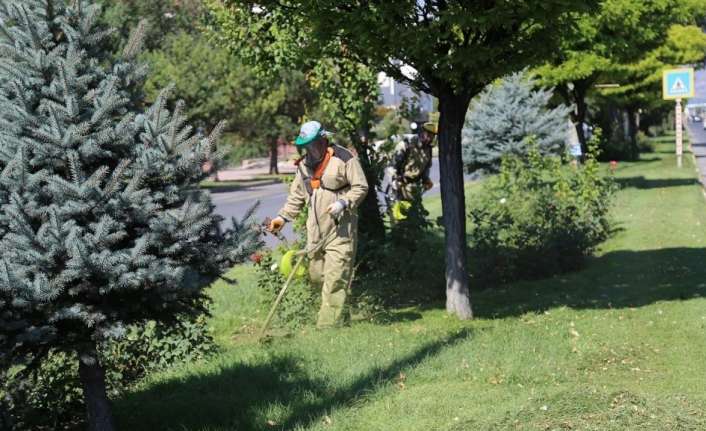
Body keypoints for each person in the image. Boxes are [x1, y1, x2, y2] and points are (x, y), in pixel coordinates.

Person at [268, 121, 368, 328]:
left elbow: (361, 186)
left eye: (312, 143)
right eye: (306, 145)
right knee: (317, 277)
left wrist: (343, 202)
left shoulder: (344, 158)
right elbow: (296, 196)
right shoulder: (304, 165)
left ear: (323, 139)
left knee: (335, 278)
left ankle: (326, 328)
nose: (309, 148)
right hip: (315, 233)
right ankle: (342, 315)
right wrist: (282, 218)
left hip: (340, 230)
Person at [389, 121, 437, 203]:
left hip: (415, 189)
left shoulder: (428, 149)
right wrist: (394, 182)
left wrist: (426, 181)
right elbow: (393, 167)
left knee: (415, 213)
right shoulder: (406, 145)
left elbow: (426, 167)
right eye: (428, 135)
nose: (430, 138)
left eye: (432, 136)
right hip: (400, 187)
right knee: (400, 213)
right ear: (421, 133)